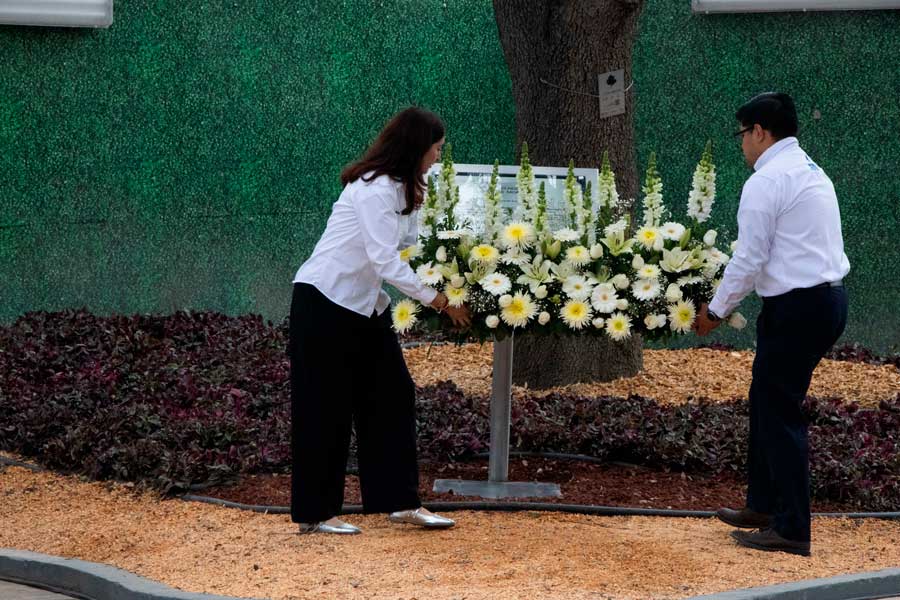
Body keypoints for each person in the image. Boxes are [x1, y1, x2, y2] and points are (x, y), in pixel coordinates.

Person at [288, 107, 470, 534]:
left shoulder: (406, 188)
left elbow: (414, 246)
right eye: (436, 150)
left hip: (367, 307)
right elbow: (385, 259)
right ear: (416, 147)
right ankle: (316, 514)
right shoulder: (373, 189)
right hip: (324, 302)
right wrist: (441, 301)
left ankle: (401, 501)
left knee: (393, 395)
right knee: (324, 407)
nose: (438, 158)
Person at [693, 92, 850, 557]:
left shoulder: (766, 181)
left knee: (779, 411)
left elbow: (749, 258)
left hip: (798, 307)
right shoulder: (808, 169)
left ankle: (792, 528)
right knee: (766, 400)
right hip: (822, 300)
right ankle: (762, 506)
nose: (741, 144)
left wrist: (716, 310)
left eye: (742, 134)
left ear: (760, 131)